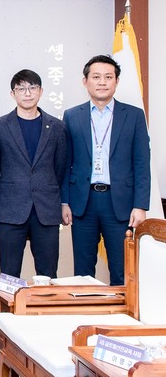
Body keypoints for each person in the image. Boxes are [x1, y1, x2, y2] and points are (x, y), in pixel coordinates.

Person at [62, 55, 150, 286]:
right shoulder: (72, 116)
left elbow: (142, 163)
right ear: (85, 81)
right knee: (83, 273)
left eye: (108, 77)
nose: (102, 82)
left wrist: (140, 205)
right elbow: (65, 163)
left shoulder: (134, 115)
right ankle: (86, 310)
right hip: (83, 202)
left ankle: (121, 311)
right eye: (96, 77)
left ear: (116, 81)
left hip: (120, 202)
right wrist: (64, 201)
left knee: (122, 270)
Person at [0, 69, 67, 278]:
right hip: (10, 208)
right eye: (21, 89)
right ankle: (10, 302)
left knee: (47, 273)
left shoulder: (57, 127)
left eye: (32, 88)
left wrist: (63, 203)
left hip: (46, 209)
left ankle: (45, 302)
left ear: (41, 91)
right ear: (13, 94)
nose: (27, 93)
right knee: (9, 274)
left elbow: (61, 169)